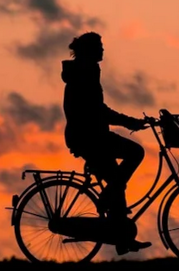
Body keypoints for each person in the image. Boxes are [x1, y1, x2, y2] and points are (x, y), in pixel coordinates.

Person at [60, 31, 152, 254]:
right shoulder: (84, 73)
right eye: (99, 46)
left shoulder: (86, 71)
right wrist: (130, 122)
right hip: (89, 138)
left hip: (91, 136)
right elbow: (97, 111)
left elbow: (98, 111)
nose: (103, 50)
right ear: (90, 51)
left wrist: (128, 122)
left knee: (116, 181)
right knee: (135, 153)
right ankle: (109, 201)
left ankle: (122, 238)